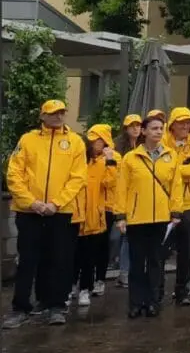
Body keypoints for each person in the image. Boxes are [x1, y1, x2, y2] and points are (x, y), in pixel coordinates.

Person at [3, 101, 88, 328]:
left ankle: (56, 306)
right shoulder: (27, 140)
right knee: (27, 260)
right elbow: (14, 174)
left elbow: (78, 177)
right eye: (53, 113)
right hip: (29, 211)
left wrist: (56, 203)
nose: (58, 116)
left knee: (60, 260)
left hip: (60, 212)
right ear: (43, 115)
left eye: (61, 112)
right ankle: (20, 307)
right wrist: (32, 203)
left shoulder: (75, 142)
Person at [113, 114, 184, 318]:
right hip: (137, 218)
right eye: (154, 128)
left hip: (161, 218)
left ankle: (153, 301)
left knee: (156, 262)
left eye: (161, 128)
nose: (158, 132)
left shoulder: (171, 156)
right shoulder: (130, 158)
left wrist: (176, 211)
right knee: (137, 263)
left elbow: (176, 186)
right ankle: (135, 302)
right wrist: (120, 215)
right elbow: (122, 188)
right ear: (144, 131)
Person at [163, 107, 190, 305]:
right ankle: (157, 290)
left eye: (188, 122)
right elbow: (164, 171)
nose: (185, 126)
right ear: (172, 125)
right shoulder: (162, 142)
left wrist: (180, 171)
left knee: (186, 251)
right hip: (164, 203)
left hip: (188, 204)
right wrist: (186, 169)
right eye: (181, 122)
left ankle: (182, 290)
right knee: (160, 250)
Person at [74, 124, 118, 307]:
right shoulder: (81, 160)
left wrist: (110, 162)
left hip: (98, 214)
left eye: (98, 139)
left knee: (92, 254)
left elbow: (110, 182)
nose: (94, 143)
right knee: (75, 254)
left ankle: (87, 287)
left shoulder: (111, 160)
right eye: (92, 139)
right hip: (76, 214)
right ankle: (71, 286)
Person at [111, 115, 143, 288]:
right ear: (125, 128)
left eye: (138, 125)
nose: (136, 128)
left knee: (129, 237)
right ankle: (121, 268)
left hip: (139, 196)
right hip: (121, 195)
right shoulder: (117, 146)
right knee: (119, 236)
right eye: (132, 126)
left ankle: (126, 272)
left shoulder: (143, 145)